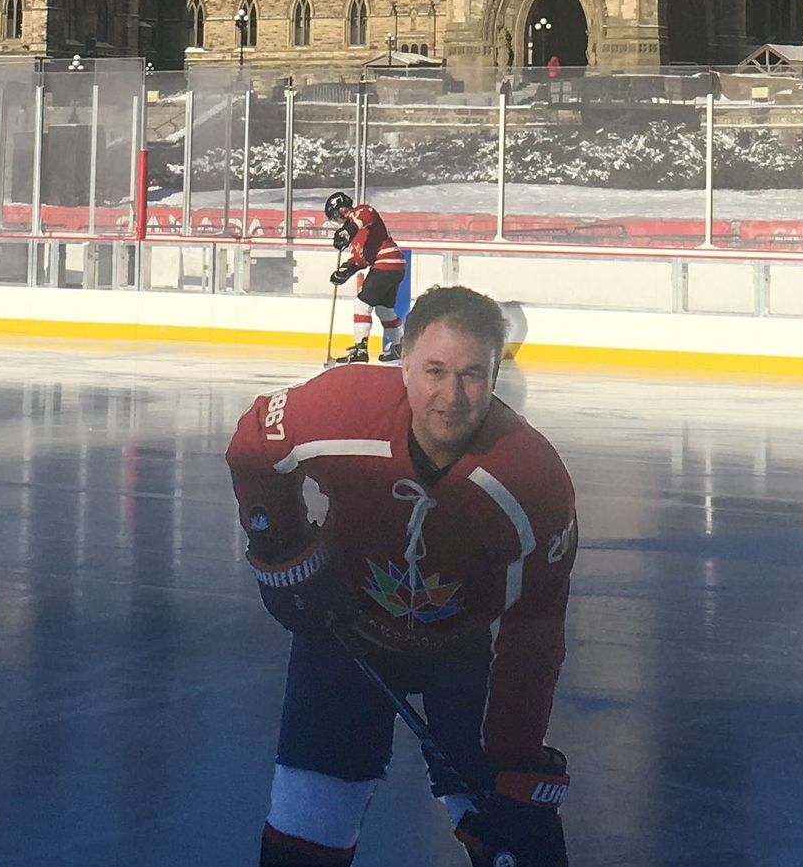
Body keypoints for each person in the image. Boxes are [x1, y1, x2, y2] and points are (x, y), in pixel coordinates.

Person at [227, 285, 577, 867]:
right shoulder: (343, 406)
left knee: (518, 841)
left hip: (462, 654)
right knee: (304, 836)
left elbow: (534, 630)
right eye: (434, 371)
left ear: (495, 376)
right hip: (344, 633)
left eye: (472, 375)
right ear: (404, 366)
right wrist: (279, 548)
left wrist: (511, 756)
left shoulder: (533, 481)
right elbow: (256, 441)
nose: (451, 396)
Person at [324, 191, 406, 364]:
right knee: (384, 310)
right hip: (394, 266)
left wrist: (347, 231)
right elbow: (362, 259)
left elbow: (366, 215)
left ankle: (360, 349)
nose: (337, 221)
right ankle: (400, 346)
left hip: (386, 262)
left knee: (361, 304)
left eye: (335, 216)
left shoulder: (360, 212)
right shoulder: (356, 238)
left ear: (341, 210)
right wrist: (344, 271)